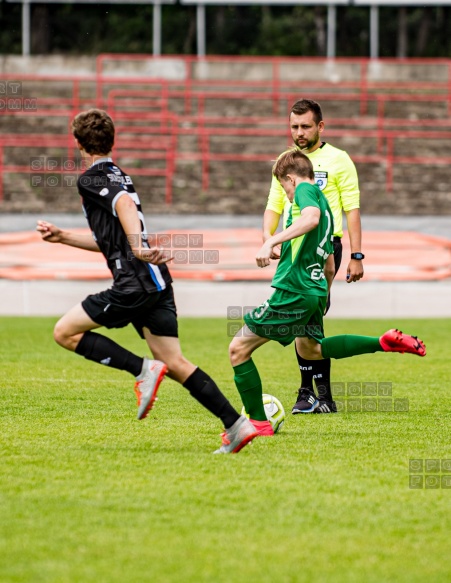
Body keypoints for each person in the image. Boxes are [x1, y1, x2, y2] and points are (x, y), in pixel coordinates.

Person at [36, 108, 258, 454]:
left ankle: (143, 370)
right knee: (177, 364)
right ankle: (236, 425)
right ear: (112, 141)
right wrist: (63, 236)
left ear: (78, 143)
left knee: (65, 332)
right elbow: (113, 239)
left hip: (132, 284)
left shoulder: (92, 178)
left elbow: (124, 206)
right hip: (154, 282)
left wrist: (139, 247)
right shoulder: (119, 174)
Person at [231, 148, 425, 436]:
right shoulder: (326, 205)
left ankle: (258, 423)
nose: (286, 195)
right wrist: (319, 294)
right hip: (314, 289)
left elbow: (307, 218)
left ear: (290, 179)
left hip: (293, 289)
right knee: (311, 349)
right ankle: (382, 342)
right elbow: (330, 265)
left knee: (238, 349)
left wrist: (270, 241)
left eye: (284, 188)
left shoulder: (307, 193)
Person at [263, 98, 364, 415]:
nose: (299, 132)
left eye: (305, 126)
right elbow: (273, 205)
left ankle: (312, 395)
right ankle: (319, 397)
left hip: (324, 248)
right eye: (294, 126)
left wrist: (356, 255)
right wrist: (270, 239)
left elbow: (351, 209)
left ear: (320, 126)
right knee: (308, 322)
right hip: (294, 247)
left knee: (308, 320)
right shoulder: (286, 161)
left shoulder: (339, 160)